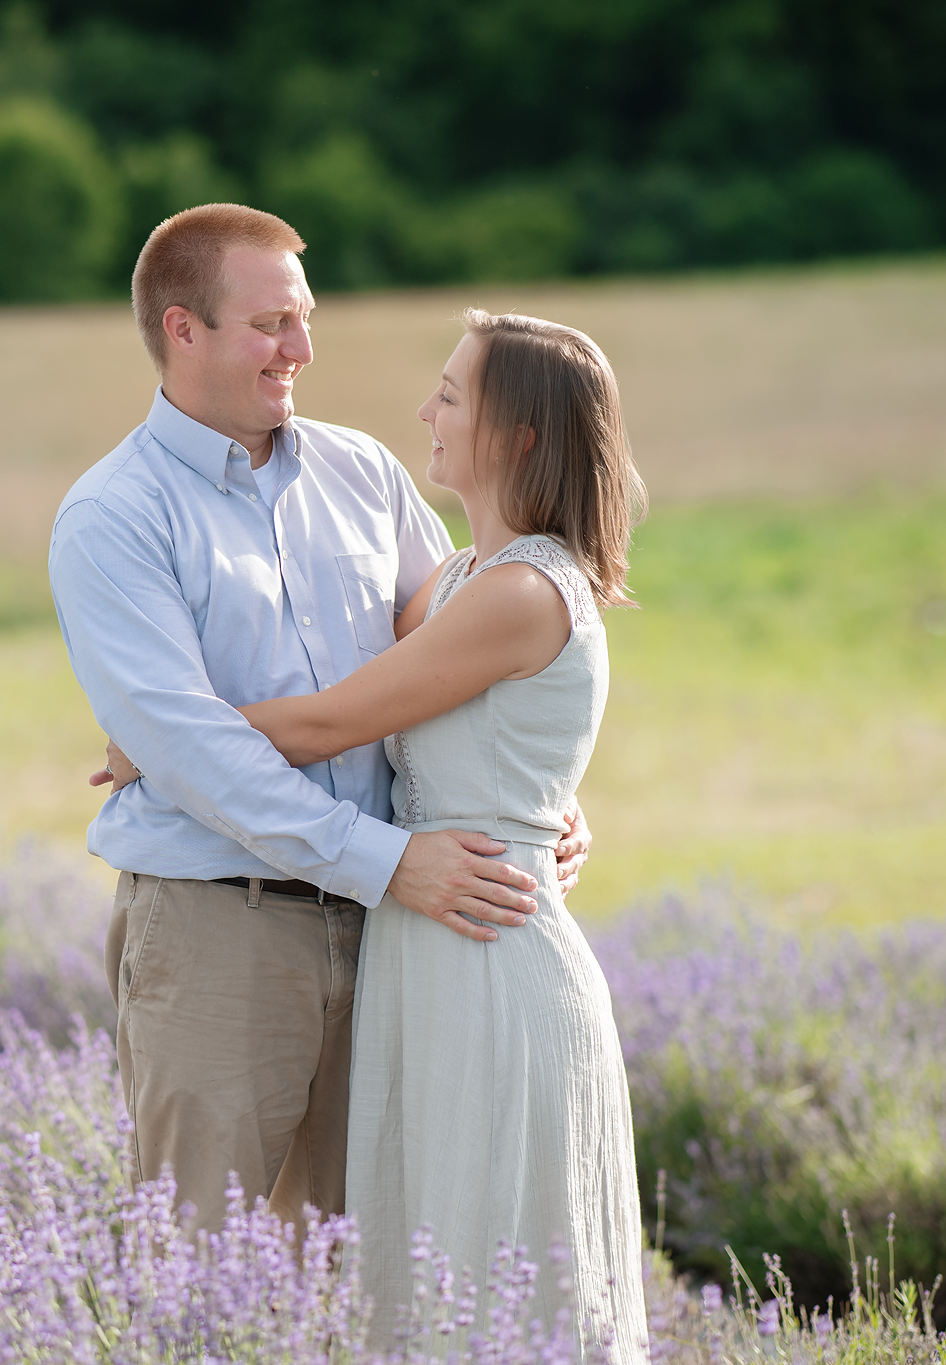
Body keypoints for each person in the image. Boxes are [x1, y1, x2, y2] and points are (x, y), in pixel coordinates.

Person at [47, 203, 592, 1236]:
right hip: (223, 930)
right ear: (181, 329)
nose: (301, 348)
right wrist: (387, 859)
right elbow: (198, 760)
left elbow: (467, 661)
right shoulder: (112, 518)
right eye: (268, 326)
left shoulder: (363, 473)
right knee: (195, 1269)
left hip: (400, 938)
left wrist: (542, 798)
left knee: (364, 1266)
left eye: (302, 317)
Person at [198, 309, 650, 1357]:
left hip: (492, 957)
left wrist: (158, 739)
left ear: (516, 434)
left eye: (449, 395)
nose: (423, 412)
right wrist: (553, 808)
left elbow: (328, 722)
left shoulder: (524, 590)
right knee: (423, 1272)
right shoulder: (451, 583)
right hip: (426, 946)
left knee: (492, 1267)